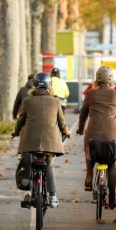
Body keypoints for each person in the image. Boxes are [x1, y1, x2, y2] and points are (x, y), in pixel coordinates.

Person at [12, 73, 70, 208]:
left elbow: (21, 121)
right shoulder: (56, 101)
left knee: (29, 161)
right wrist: (66, 132)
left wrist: (15, 132)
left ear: (35, 85)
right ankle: (53, 196)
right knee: (49, 165)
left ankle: (28, 190)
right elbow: (61, 122)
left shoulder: (27, 100)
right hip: (51, 142)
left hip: (30, 141)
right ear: (49, 86)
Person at [76, 66, 116, 209]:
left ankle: (89, 173)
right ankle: (112, 197)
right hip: (112, 137)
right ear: (111, 80)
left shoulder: (90, 94)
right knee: (111, 165)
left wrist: (80, 129)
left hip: (94, 134)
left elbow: (83, 115)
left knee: (89, 150)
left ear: (97, 79)